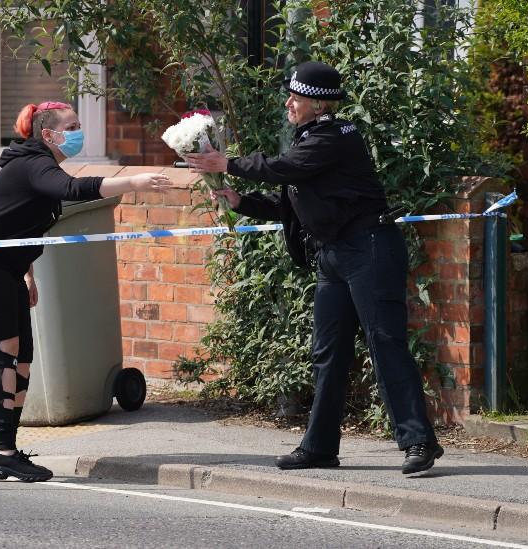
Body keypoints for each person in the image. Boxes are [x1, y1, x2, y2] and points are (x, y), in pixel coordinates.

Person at [185, 61, 443, 475]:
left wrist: (227, 163)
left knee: (385, 343)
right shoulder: (310, 140)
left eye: (297, 97)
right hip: (334, 255)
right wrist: (241, 201)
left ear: (320, 106)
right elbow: (293, 203)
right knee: (327, 352)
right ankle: (320, 447)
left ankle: (419, 442)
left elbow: (284, 169)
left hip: (369, 250)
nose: (289, 102)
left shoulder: (338, 136)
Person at [0, 101, 171, 482]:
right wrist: (134, 181)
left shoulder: (38, 164)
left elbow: (21, 225)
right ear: (48, 134)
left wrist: (27, 274)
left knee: (23, 357)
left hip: (8, 267)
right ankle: (2, 451)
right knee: (3, 355)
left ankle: (7, 450)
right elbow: (73, 189)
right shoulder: (33, 163)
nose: (77, 131)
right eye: (71, 126)